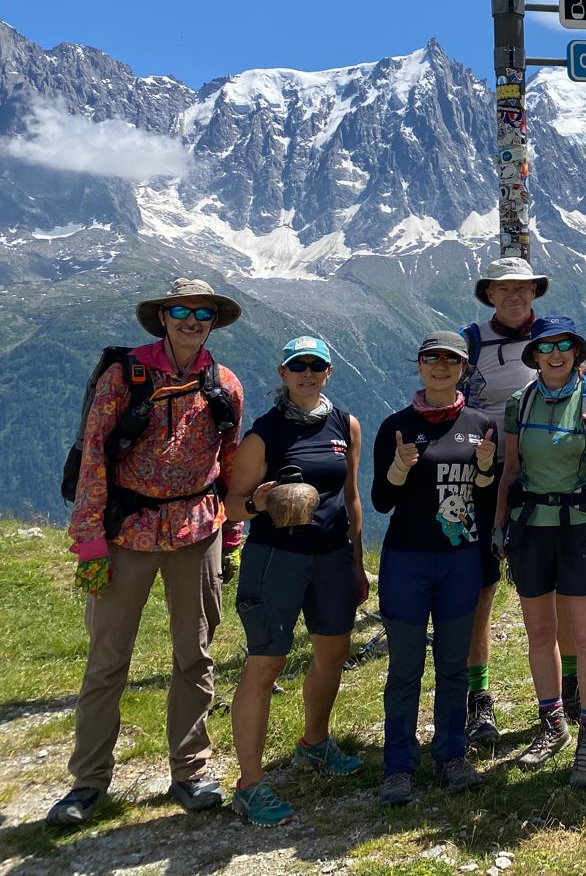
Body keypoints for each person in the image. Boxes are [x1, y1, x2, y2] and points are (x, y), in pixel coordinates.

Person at [49, 278, 246, 826]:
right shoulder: (124, 375)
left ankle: (191, 770)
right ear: (163, 317)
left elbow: (230, 463)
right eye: (181, 311)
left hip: (198, 528)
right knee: (107, 658)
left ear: (213, 322)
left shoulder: (225, 384)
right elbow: (94, 456)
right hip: (125, 532)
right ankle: (88, 782)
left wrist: (232, 536)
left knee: (195, 654)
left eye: (202, 314)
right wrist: (89, 542)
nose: (192, 321)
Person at [458, 257, 586, 743]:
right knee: (482, 589)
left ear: (535, 293)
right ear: (489, 294)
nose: (514, 296)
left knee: (566, 599)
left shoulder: (556, 342)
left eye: (523, 288)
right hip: (487, 474)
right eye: (503, 289)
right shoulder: (470, 343)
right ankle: (479, 697)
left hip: (549, 477)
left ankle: (570, 691)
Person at [223, 335, 367, 826]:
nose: (307, 373)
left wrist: (356, 563)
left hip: (331, 556)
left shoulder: (345, 424)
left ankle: (315, 743)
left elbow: (351, 497)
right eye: (298, 366)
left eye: (316, 366)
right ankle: (249, 784)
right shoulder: (264, 435)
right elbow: (231, 505)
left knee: (333, 653)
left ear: (328, 372)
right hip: (276, 558)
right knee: (265, 664)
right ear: (282, 373)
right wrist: (259, 503)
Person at [494, 316, 586, 789]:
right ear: (534, 355)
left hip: (581, 529)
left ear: (576, 351)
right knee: (539, 631)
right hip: (531, 528)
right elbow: (512, 468)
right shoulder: (520, 402)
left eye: (564, 345)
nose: (555, 354)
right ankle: (552, 724)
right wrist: (499, 528)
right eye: (545, 347)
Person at [371, 331, 499, 807]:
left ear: (464, 369)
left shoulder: (482, 424)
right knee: (405, 667)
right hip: (407, 559)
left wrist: (485, 470)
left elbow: (486, 498)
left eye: (451, 359)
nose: (441, 366)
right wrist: (399, 469)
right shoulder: (396, 426)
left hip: (460, 560)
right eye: (432, 358)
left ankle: (451, 755)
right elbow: (382, 501)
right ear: (420, 365)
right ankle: (398, 766)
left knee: (453, 666)